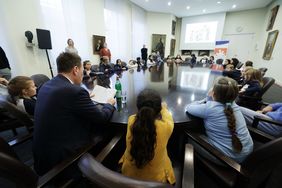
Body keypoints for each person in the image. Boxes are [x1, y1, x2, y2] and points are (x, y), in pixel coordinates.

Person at [33, 52, 115, 178]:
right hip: (62, 160)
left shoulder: (47, 85)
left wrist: (84, 98)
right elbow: (102, 117)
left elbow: (63, 103)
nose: (82, 74)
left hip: (42, 156)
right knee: (107, 131)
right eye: (82, 70)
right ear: (76, 69)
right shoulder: (74, 91)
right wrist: (109, 104)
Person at [185, 77, 253, 163]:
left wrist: (207, 98)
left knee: (187, 137)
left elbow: (189, 107)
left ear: (213, 93)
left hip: (227, 159)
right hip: (247, 152)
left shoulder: (209, 108)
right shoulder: (234, 105)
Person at [119, 89, 176, 184]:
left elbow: (139, 117)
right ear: (159, 109)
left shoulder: (131, 121)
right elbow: (168, 116)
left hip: (128, 177)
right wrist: (164, 108)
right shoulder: (167, 126)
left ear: (138, 108)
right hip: (156, 182)